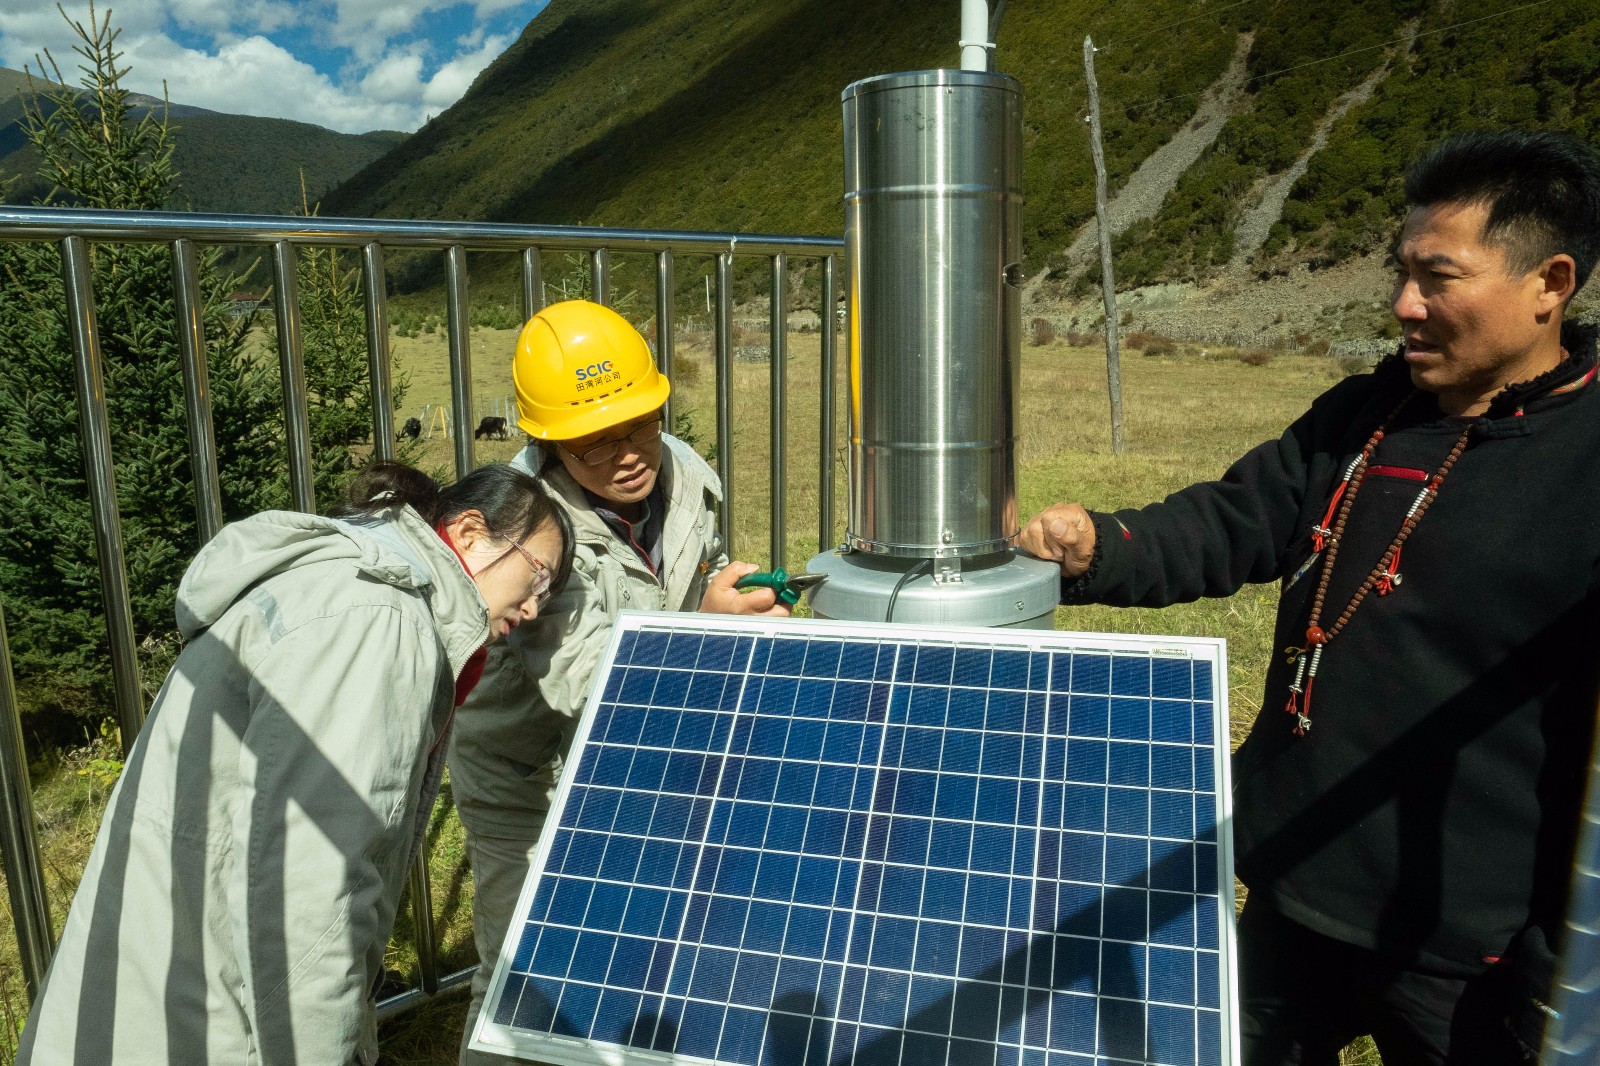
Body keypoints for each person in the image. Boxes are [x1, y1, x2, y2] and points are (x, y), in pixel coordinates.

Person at [1020, 129, 1600, 1065]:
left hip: (1468, 954)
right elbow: (1232, 523)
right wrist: (1099, 546)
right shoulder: (1365, 414)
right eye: (1401, 271)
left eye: (1439, 277)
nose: (1404, 304)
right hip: (1291, 890)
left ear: (1550, 283)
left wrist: (1555, 970)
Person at [18, 460, 573, 1066]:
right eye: (538, 576)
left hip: (147, 987)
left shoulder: (341, 585)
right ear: (469, 531)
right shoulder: (378, 622)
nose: (533, 609)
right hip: (210, 1019)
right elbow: (311, 894)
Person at [450, 299, 789, 1062]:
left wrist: (729, 600)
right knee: (522, 966)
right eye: (594, 444)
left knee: (643, 937)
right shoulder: (526, 534)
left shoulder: (686, 473)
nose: (628, 454)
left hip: (641, 752)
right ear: (548, 442)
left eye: (639, 425)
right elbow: (585, 682)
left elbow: (693, 573)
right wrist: (707, 627)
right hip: (526, 773)